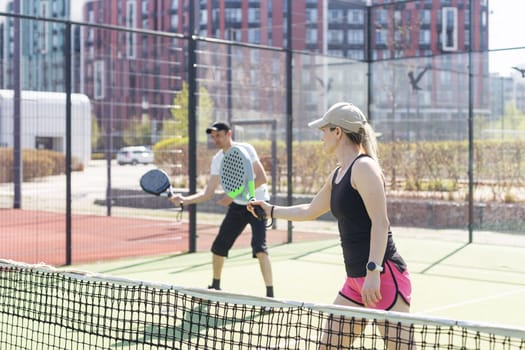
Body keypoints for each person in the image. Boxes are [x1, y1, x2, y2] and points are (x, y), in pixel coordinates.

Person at [248, 102, 412, 349]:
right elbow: (310, 210)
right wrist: (270, 210)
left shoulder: (364, 167)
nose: (321, 137)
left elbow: (381, 222)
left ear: (338, 131)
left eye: (324, 130)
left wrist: (372, 272)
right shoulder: (338, 173)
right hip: (356, 281)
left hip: (382, 276)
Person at [170, 121, 275, 298]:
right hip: (237, 207)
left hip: (258, 204)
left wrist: (233, 194)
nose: (215, 139)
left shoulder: (246, 149)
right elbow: (208, 193)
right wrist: (184, 200)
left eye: (218, 135)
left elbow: (262, 178)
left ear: (229, 134)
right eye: (213, 136)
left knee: (260, 248)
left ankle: (270, 295)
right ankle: (215, 286)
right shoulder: (218, 159)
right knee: (218, 247)